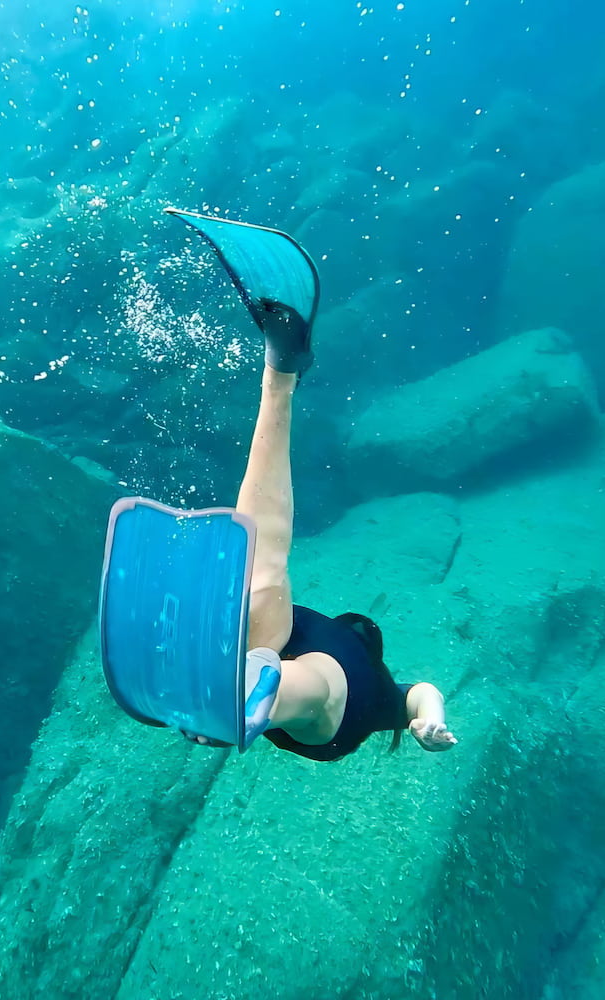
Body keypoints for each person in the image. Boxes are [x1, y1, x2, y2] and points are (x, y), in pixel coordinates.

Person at [170, 214, 457, 761]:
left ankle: (245, 697)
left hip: (323, 697)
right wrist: (430, 725)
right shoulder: (380, 693)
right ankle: (245, 697)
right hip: (291, 669)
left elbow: (422, 694)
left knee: (296, 644)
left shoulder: (378, 695)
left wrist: (427, 723)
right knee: (264, 575)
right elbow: (427, 696)